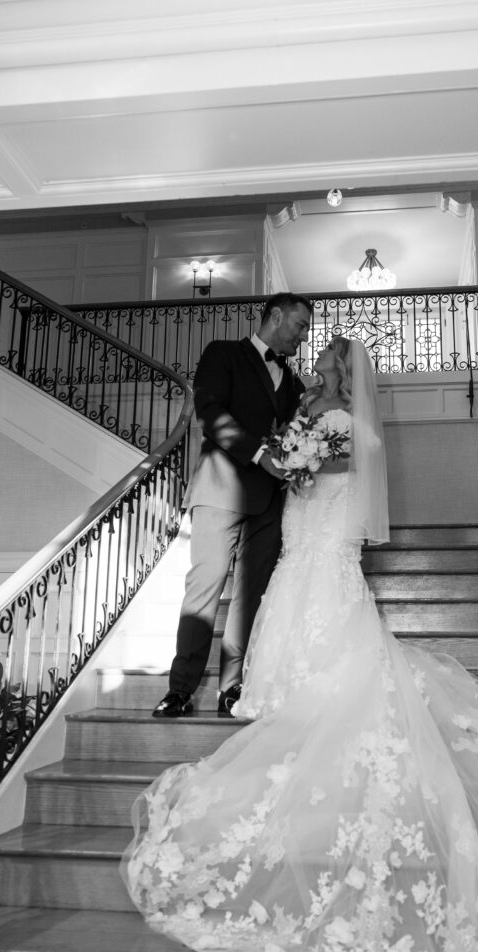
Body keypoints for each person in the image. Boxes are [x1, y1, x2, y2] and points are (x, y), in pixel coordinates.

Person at [125, 336, 478, 952]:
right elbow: (306, 467)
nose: (313, 372)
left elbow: (318, 472)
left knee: (320, 610)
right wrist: (290, 459)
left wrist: (293, 463)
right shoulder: (328, 416)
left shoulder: (340, 423)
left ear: (339, 373)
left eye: (324, 365)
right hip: (309, 535)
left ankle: (313, 698)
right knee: (295, 606)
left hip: (319, 536)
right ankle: (293, 694)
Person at [152, 292, 311, 718]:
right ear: (276, 316)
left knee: (250, 596)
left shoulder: (295, 384)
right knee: (203, 588)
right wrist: (260, 454)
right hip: (219, 489)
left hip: (268, 501)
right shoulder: (222, 354)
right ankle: (180, 690)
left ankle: (232, 688)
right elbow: (209, 410)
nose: (303, 336)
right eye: (299, 326)